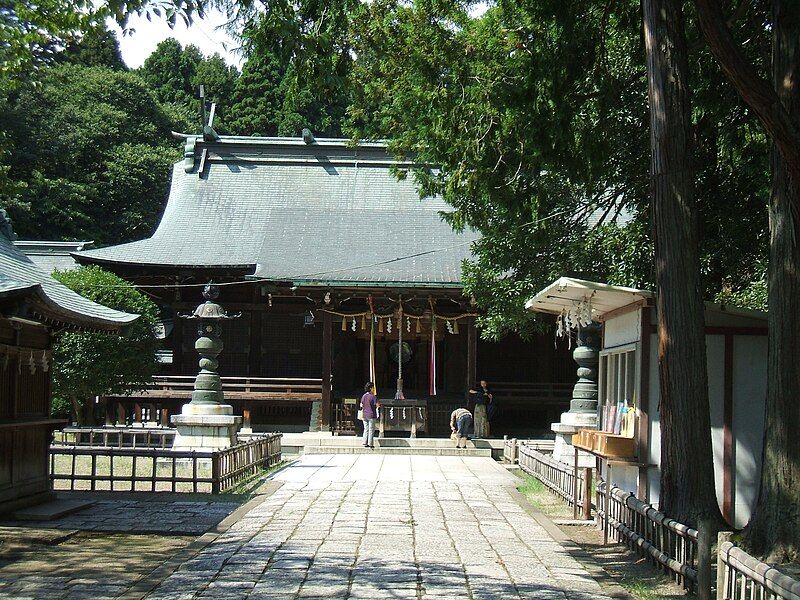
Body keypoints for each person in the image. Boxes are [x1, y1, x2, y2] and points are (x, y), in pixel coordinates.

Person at [360, 382, 378, 448]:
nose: (374, 389)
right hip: (371, 415)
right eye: (373, 387)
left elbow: (361, 405)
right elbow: (376, 405)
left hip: (364, 415)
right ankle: (370, 443)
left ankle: (364, 442)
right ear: (371, 388)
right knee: (371, 430)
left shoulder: (364, 396)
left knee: (366, 429)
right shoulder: (373, 396)